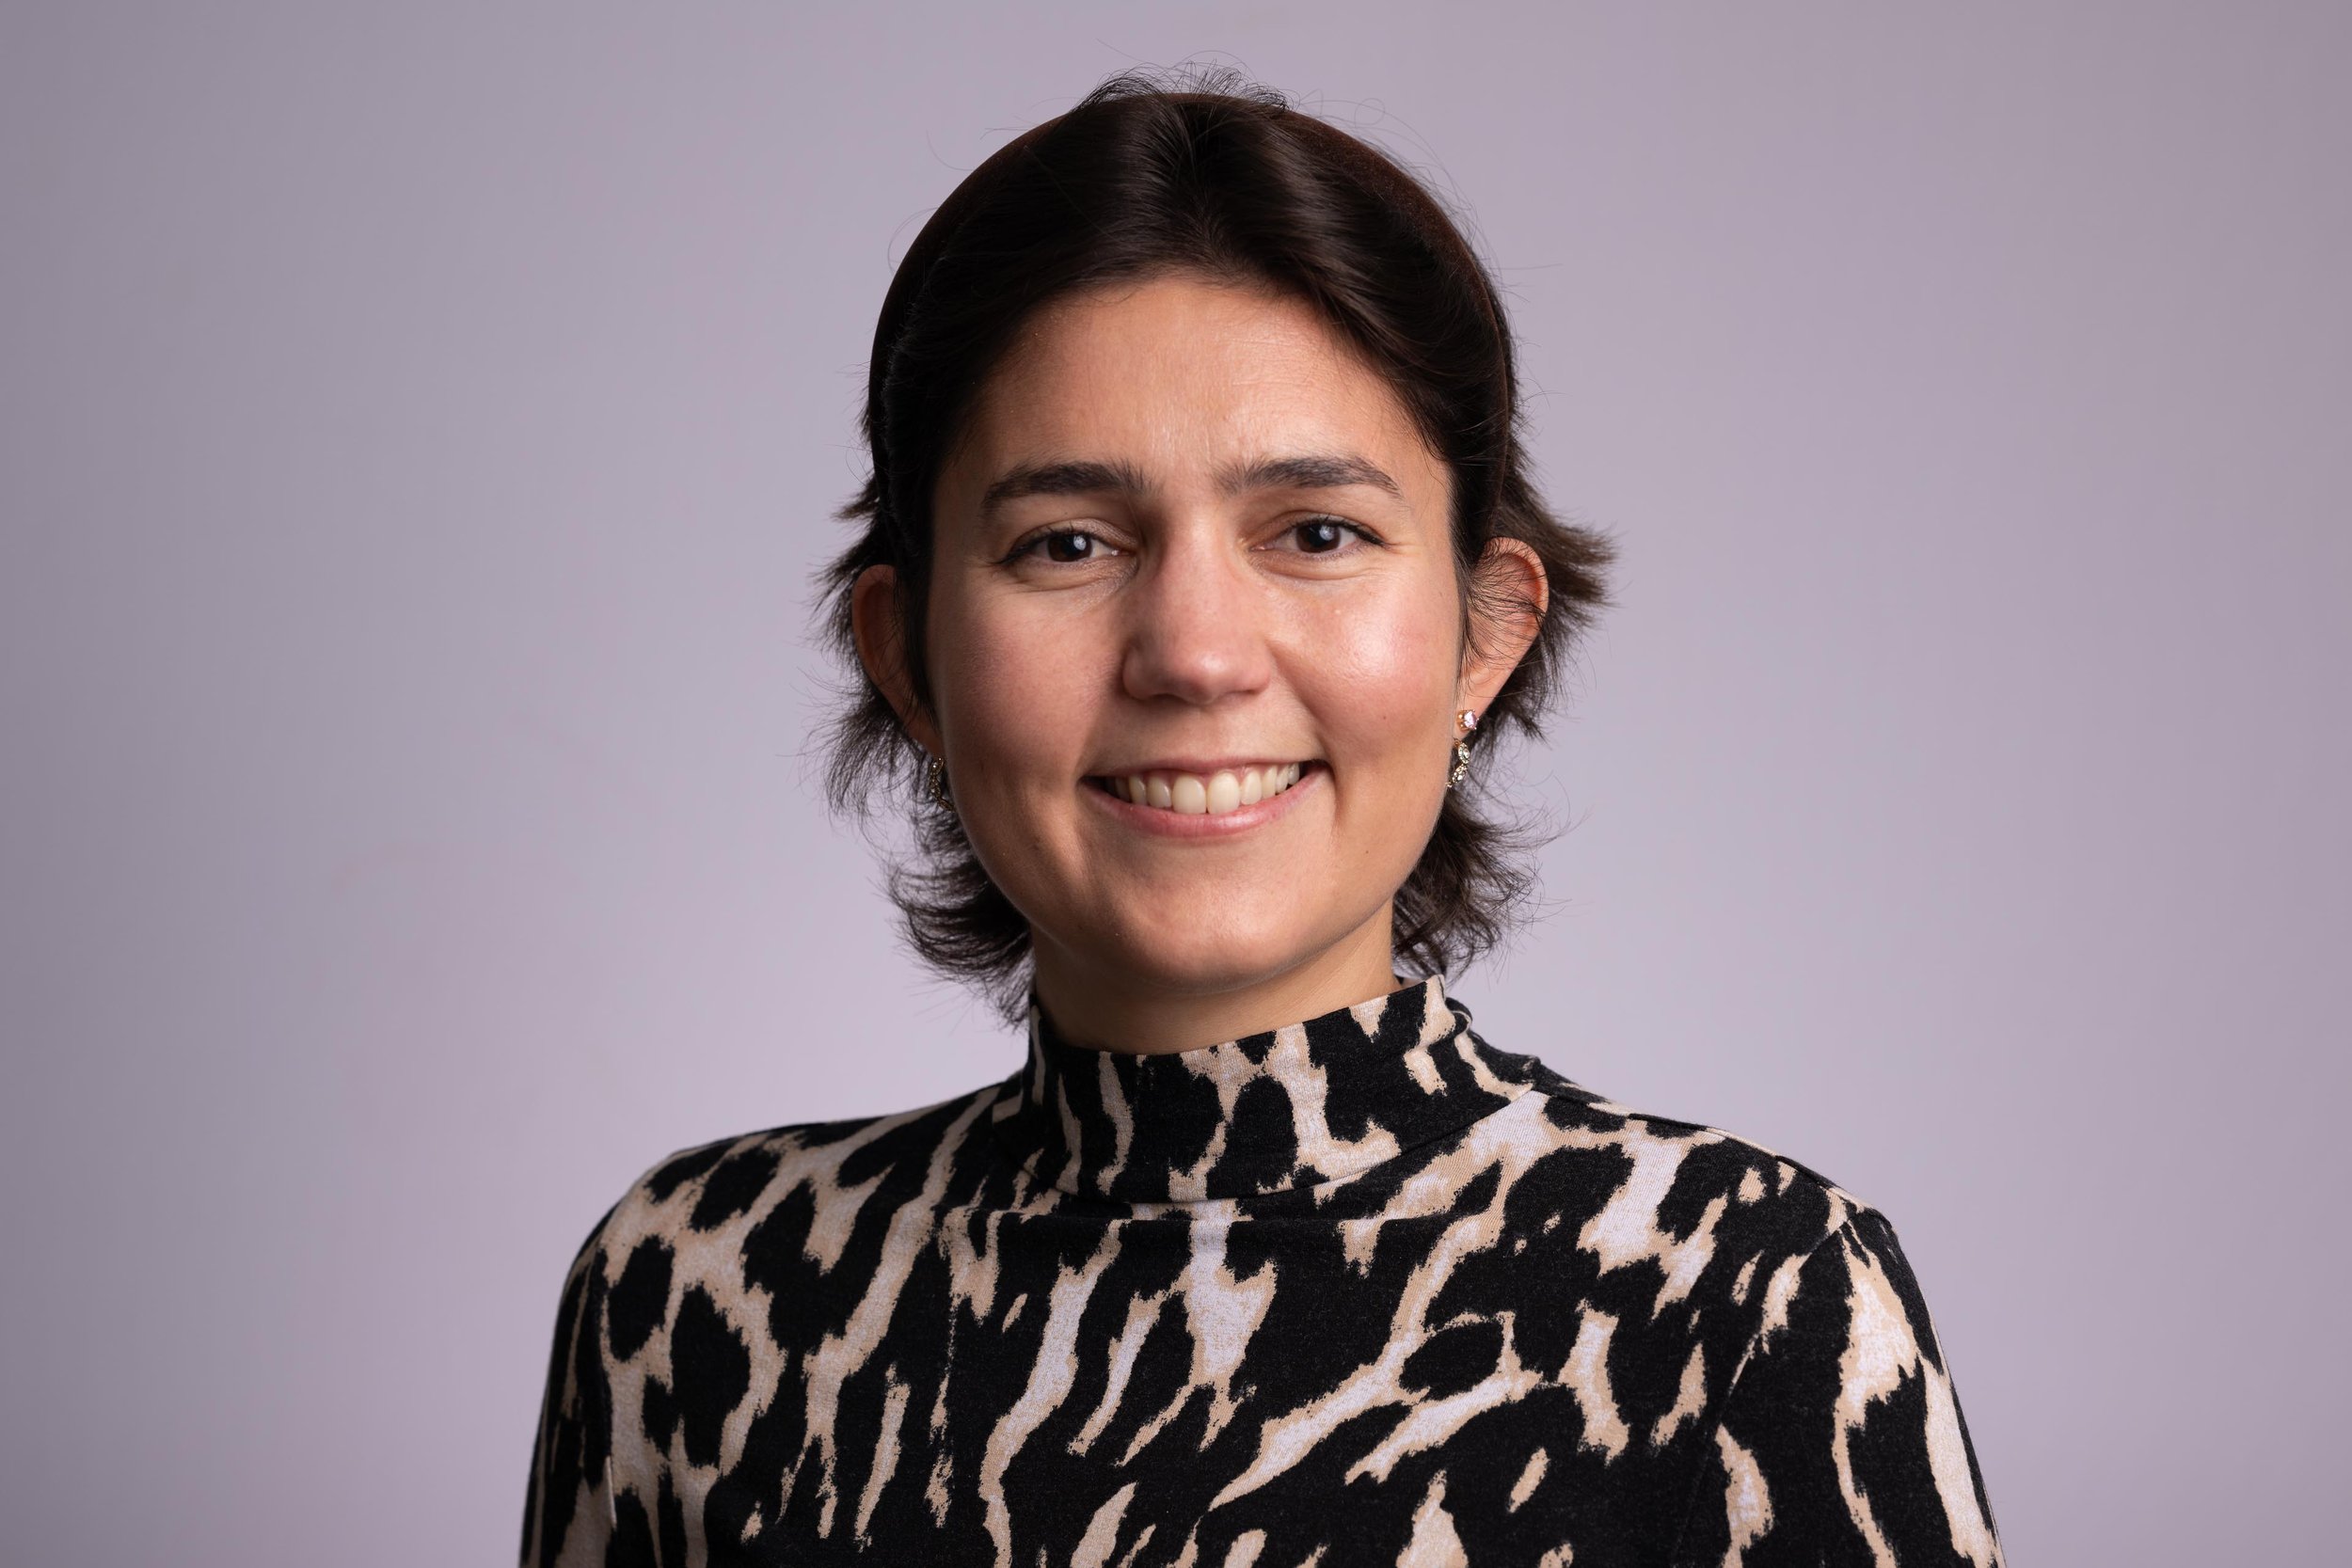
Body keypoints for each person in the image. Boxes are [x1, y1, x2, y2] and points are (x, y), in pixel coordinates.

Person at [521, 71, 2004, 1568]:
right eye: (1068, 543)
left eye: (1317, 532)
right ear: (907, 657)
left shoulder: (1747, 1307)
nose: (1195, 654)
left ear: (1485, 635)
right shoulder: (695, 1299)